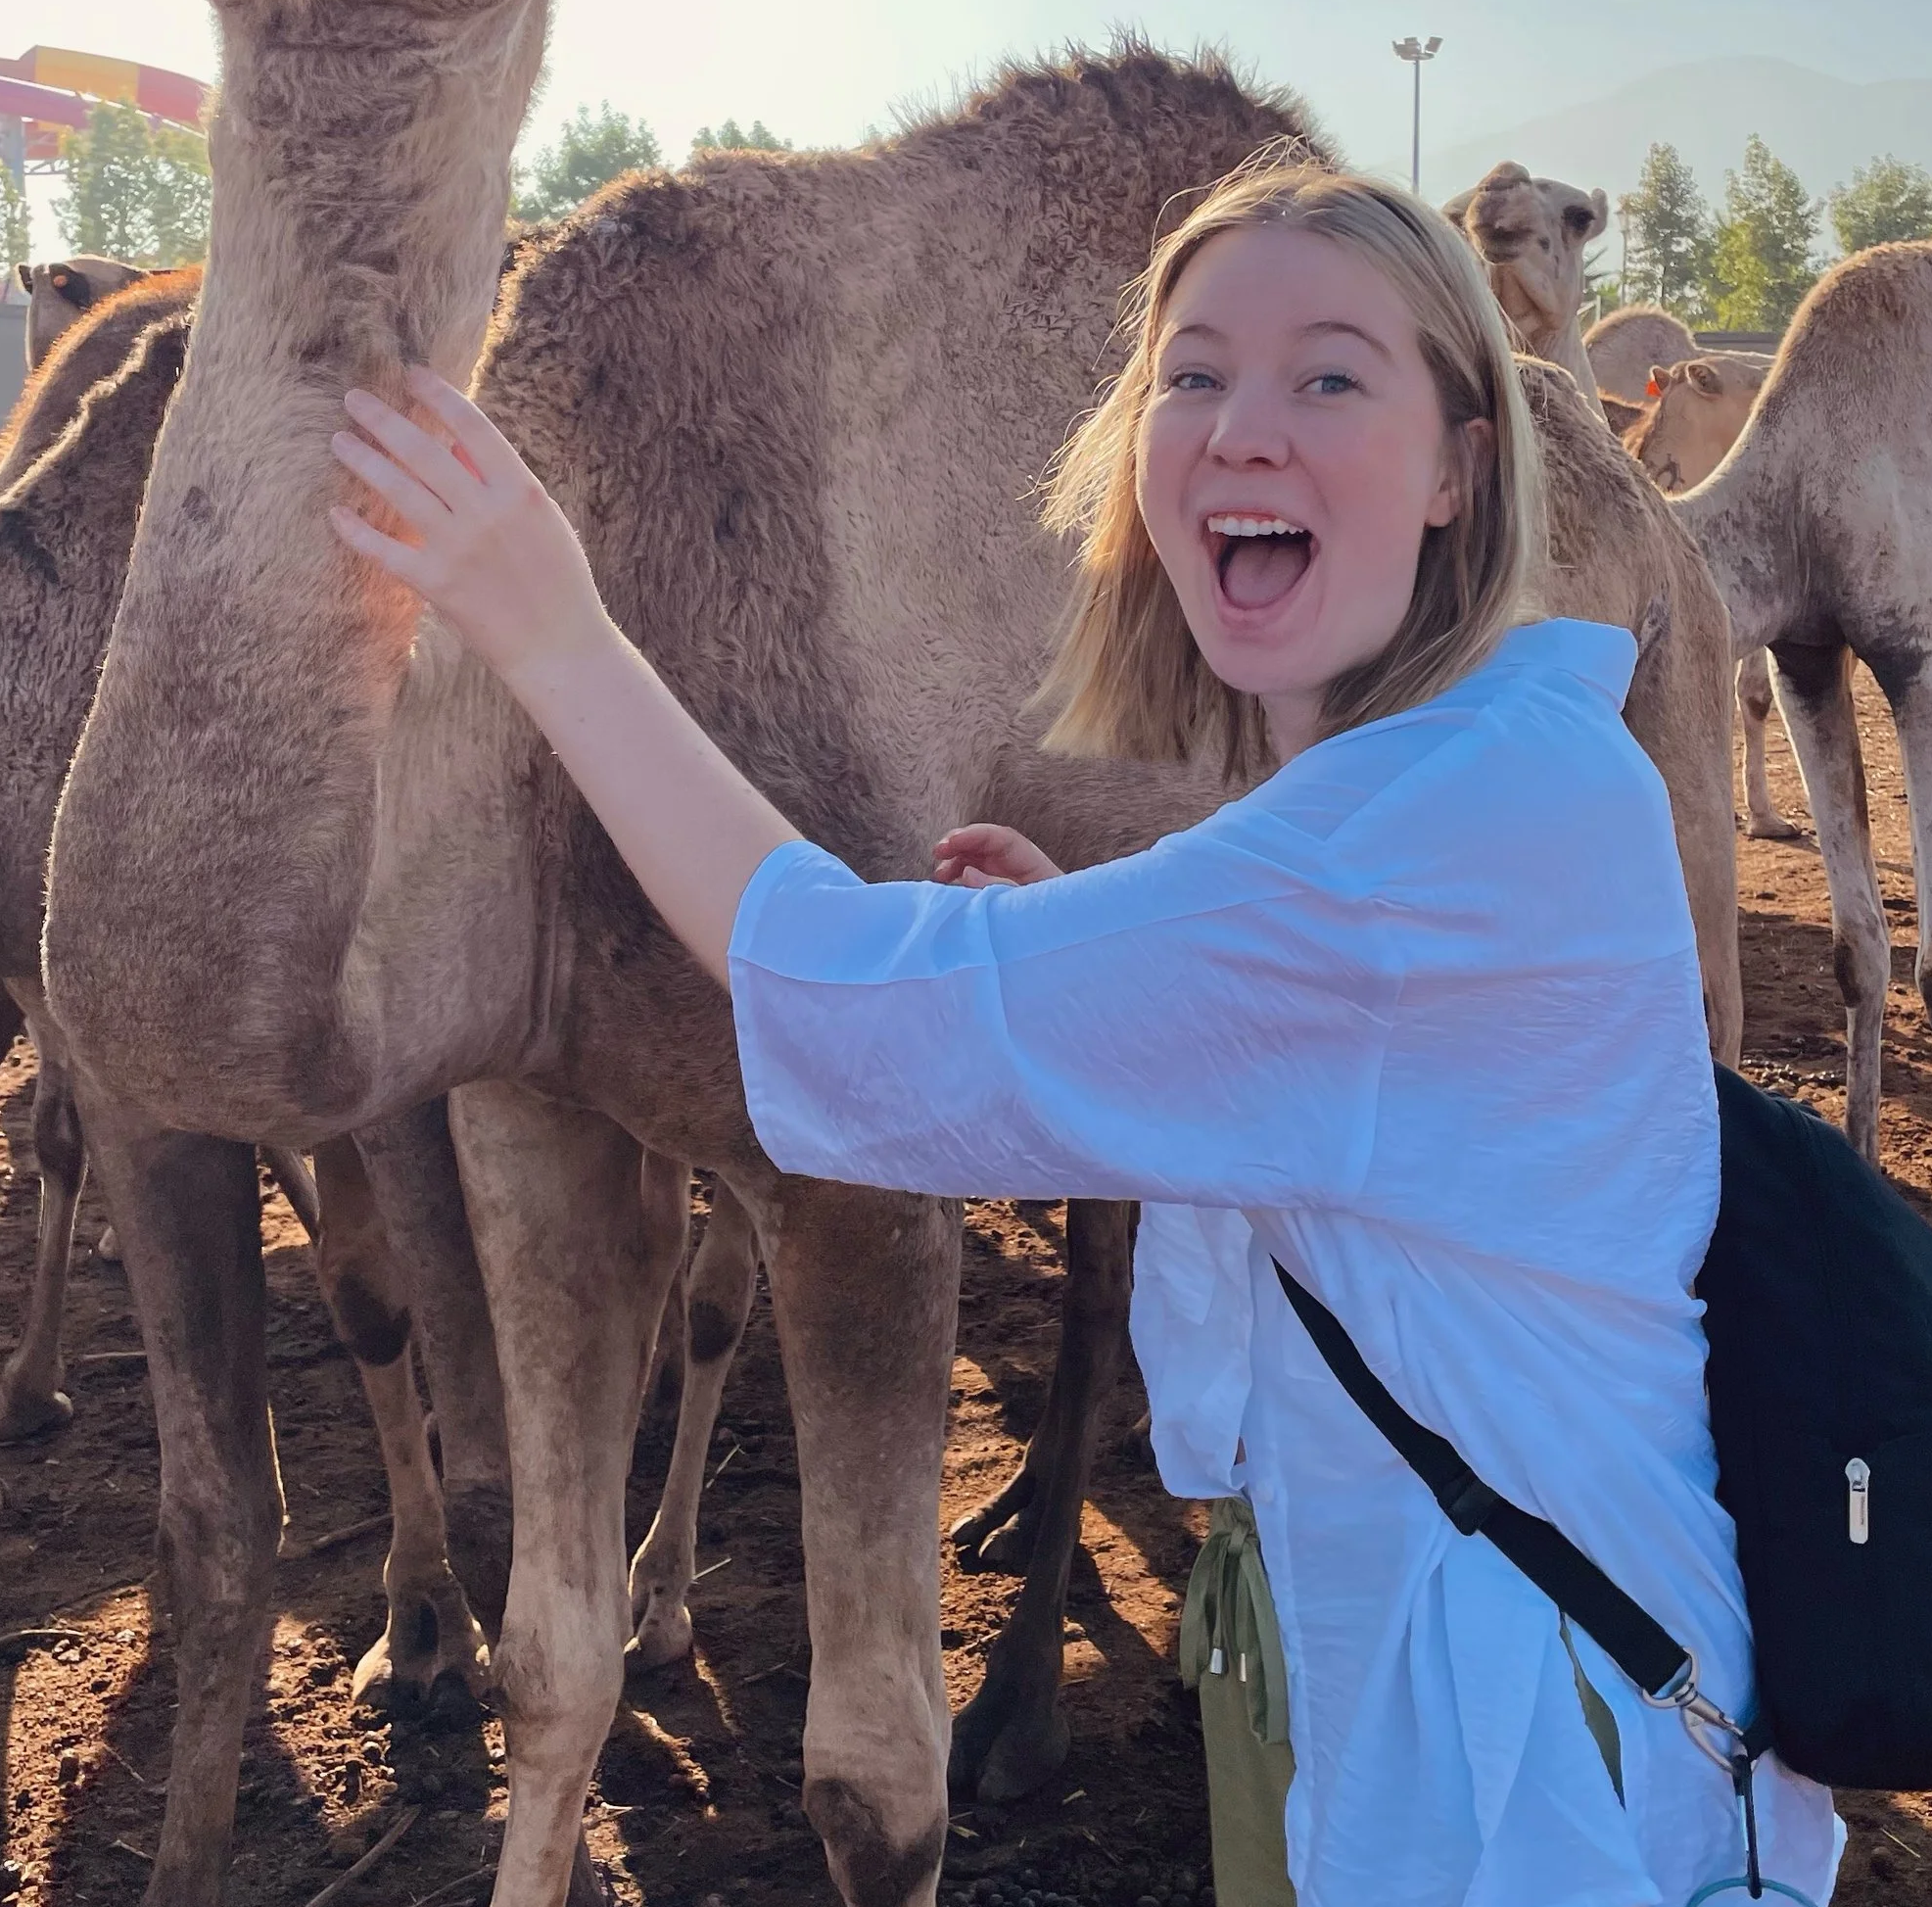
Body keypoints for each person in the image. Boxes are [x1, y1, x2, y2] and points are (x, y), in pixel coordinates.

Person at [328, 157, 1841, 1907]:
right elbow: (1336, 1072)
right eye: (1191, 377)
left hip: (1547, 1797)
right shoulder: (1472, 777)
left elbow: (840, 983)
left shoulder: (1414, 843)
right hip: (1507, 1705)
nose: (1239, 430)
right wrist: (1097, 951)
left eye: (1328, 376)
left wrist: (551, 624)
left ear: (1457, 463)